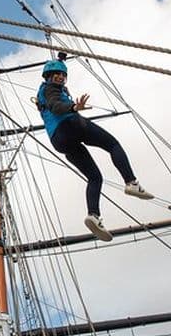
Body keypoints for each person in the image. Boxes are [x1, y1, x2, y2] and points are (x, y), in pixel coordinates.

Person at [36, 55, 153, 241]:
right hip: (70, 125)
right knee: (112, 144)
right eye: (56, 74)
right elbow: (56, 106)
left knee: (94, 177)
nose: (60, 77)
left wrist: (60, 59)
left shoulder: (46, 91)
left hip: (59, 140)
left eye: (62, 75)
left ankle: (93, 216)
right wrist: (74, 107)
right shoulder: (51, 90)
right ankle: (131, 182)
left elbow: (54, 103)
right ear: (48, 76)